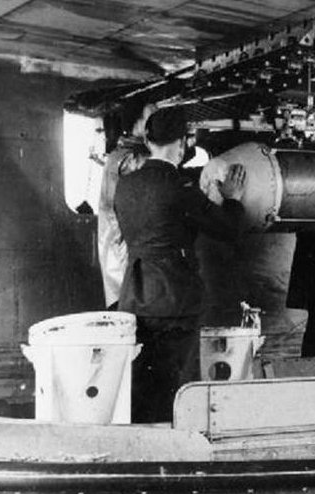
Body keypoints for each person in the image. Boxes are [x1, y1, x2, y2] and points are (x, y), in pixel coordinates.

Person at [114, 107, 247, 422]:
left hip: (135, 296)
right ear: (185, 141)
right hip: (175, 299)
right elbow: (228, 230)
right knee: (170, 385)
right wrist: (233, 199)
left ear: (148, 139)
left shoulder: (126, 185)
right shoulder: (180, 188)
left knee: (142, 382)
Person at [96, 102, 155, 309]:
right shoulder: (132, 159)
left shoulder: (118, 155)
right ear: (134, 123)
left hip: (115, 252)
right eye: (149, 118)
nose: (154, 124)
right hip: (125, 257)